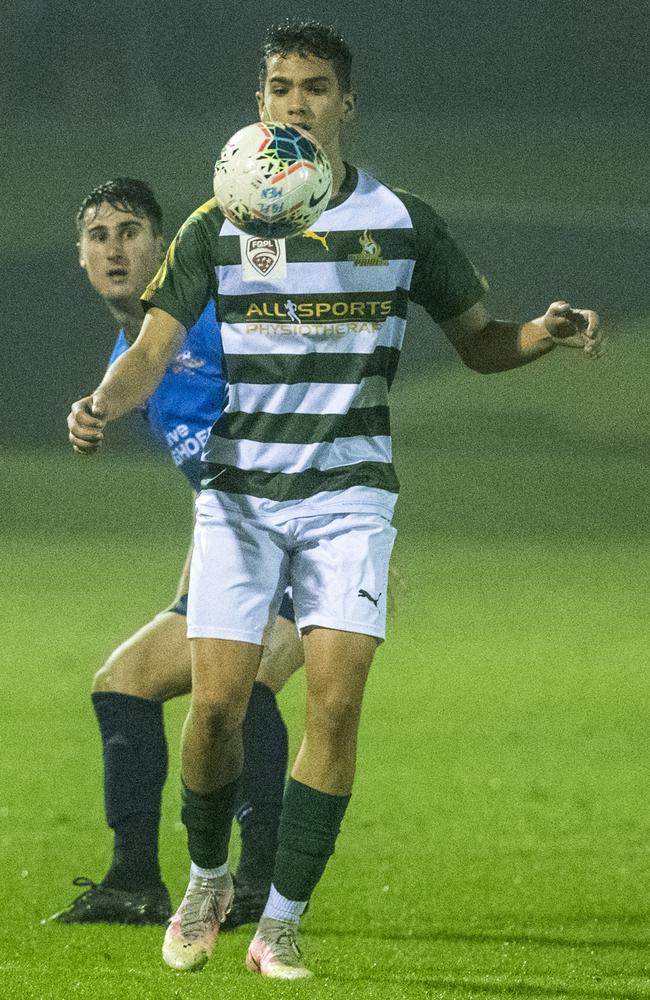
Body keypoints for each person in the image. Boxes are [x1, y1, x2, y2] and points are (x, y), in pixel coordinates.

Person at [67, 20, 606, 980]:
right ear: (261, 101)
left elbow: (479, 341)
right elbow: (148, 351)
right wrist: (101, 404)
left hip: (351, 497)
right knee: (220, 710)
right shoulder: (213, 224)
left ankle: (279, 924)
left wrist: (544, 332)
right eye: (280, 88)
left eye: (316, 88)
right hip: (240, 500)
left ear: (345, 103)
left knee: (335, 704)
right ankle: (205, 876)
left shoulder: (403, 223)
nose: (297, 104)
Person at [51, 178, 303, 930]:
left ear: (161, 247)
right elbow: (208, 486)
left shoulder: (213, 315)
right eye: (100, 235)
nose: (116, 247)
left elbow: (293, 403)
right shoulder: (128, 355)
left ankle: (257, 885)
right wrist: (192, 587)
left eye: (132, 231)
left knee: (245, 680)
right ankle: (134, 882)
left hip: (300, 543)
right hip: (234, 551)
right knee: (122, 682)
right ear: (82, 257)